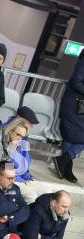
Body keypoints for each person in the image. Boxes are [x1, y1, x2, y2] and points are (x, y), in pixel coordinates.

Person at [0, 119, 44, 203]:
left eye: (22, 137)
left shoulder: (11, 144)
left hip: (6, 178)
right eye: (18, 134)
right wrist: (10, 181)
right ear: (10, 131)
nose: (19, 138)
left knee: (47, 193)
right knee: (30, 196)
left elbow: (8, 165)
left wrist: (15, 178)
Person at [54, 50, 84, 183]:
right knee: (71, 135)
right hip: (72, 105)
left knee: (70, 137)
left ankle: (64, 166)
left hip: (79, 107)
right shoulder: (82, 63)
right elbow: (76, 83)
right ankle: (65, 161)